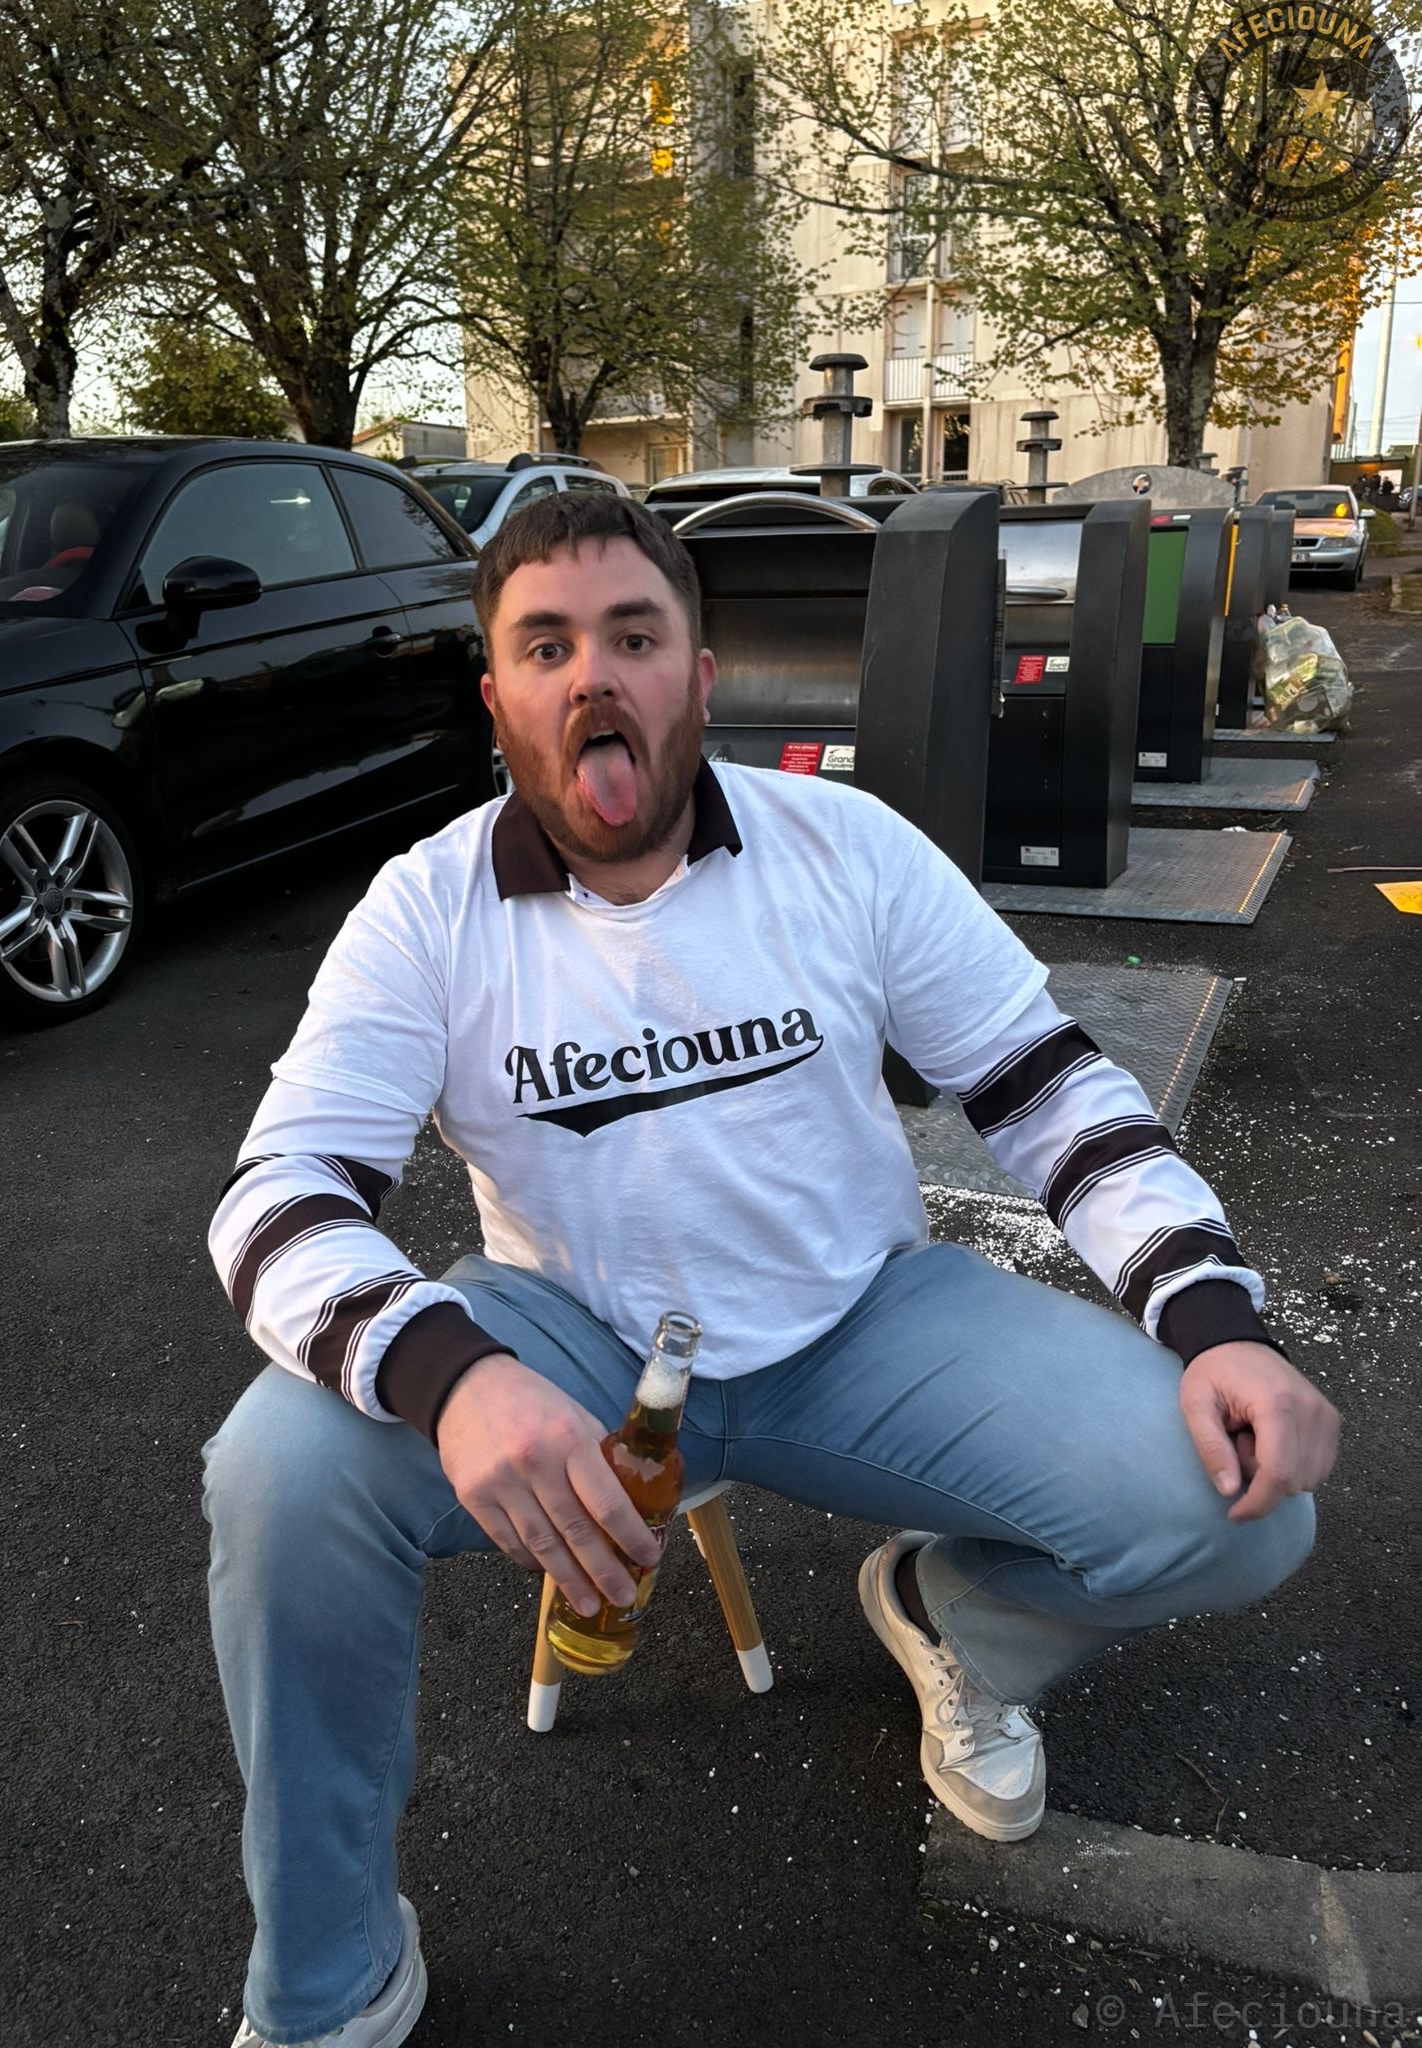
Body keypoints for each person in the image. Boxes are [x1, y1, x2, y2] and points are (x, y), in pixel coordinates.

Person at [203, 493, 1339, 2048]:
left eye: (633, 636)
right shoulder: (427, 908)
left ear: (700, 675)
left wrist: (1214, 1321)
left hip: (860, 1319)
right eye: (547, 646)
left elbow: (1050, 1092)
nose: (593, 676)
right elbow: (279, 1195)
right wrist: (453, 1378)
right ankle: (329, 1980)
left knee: (1245, 1501)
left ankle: (957, 1620)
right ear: (498, 696)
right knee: (279, 1474)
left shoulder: (842, 845)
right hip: (576, 1340)